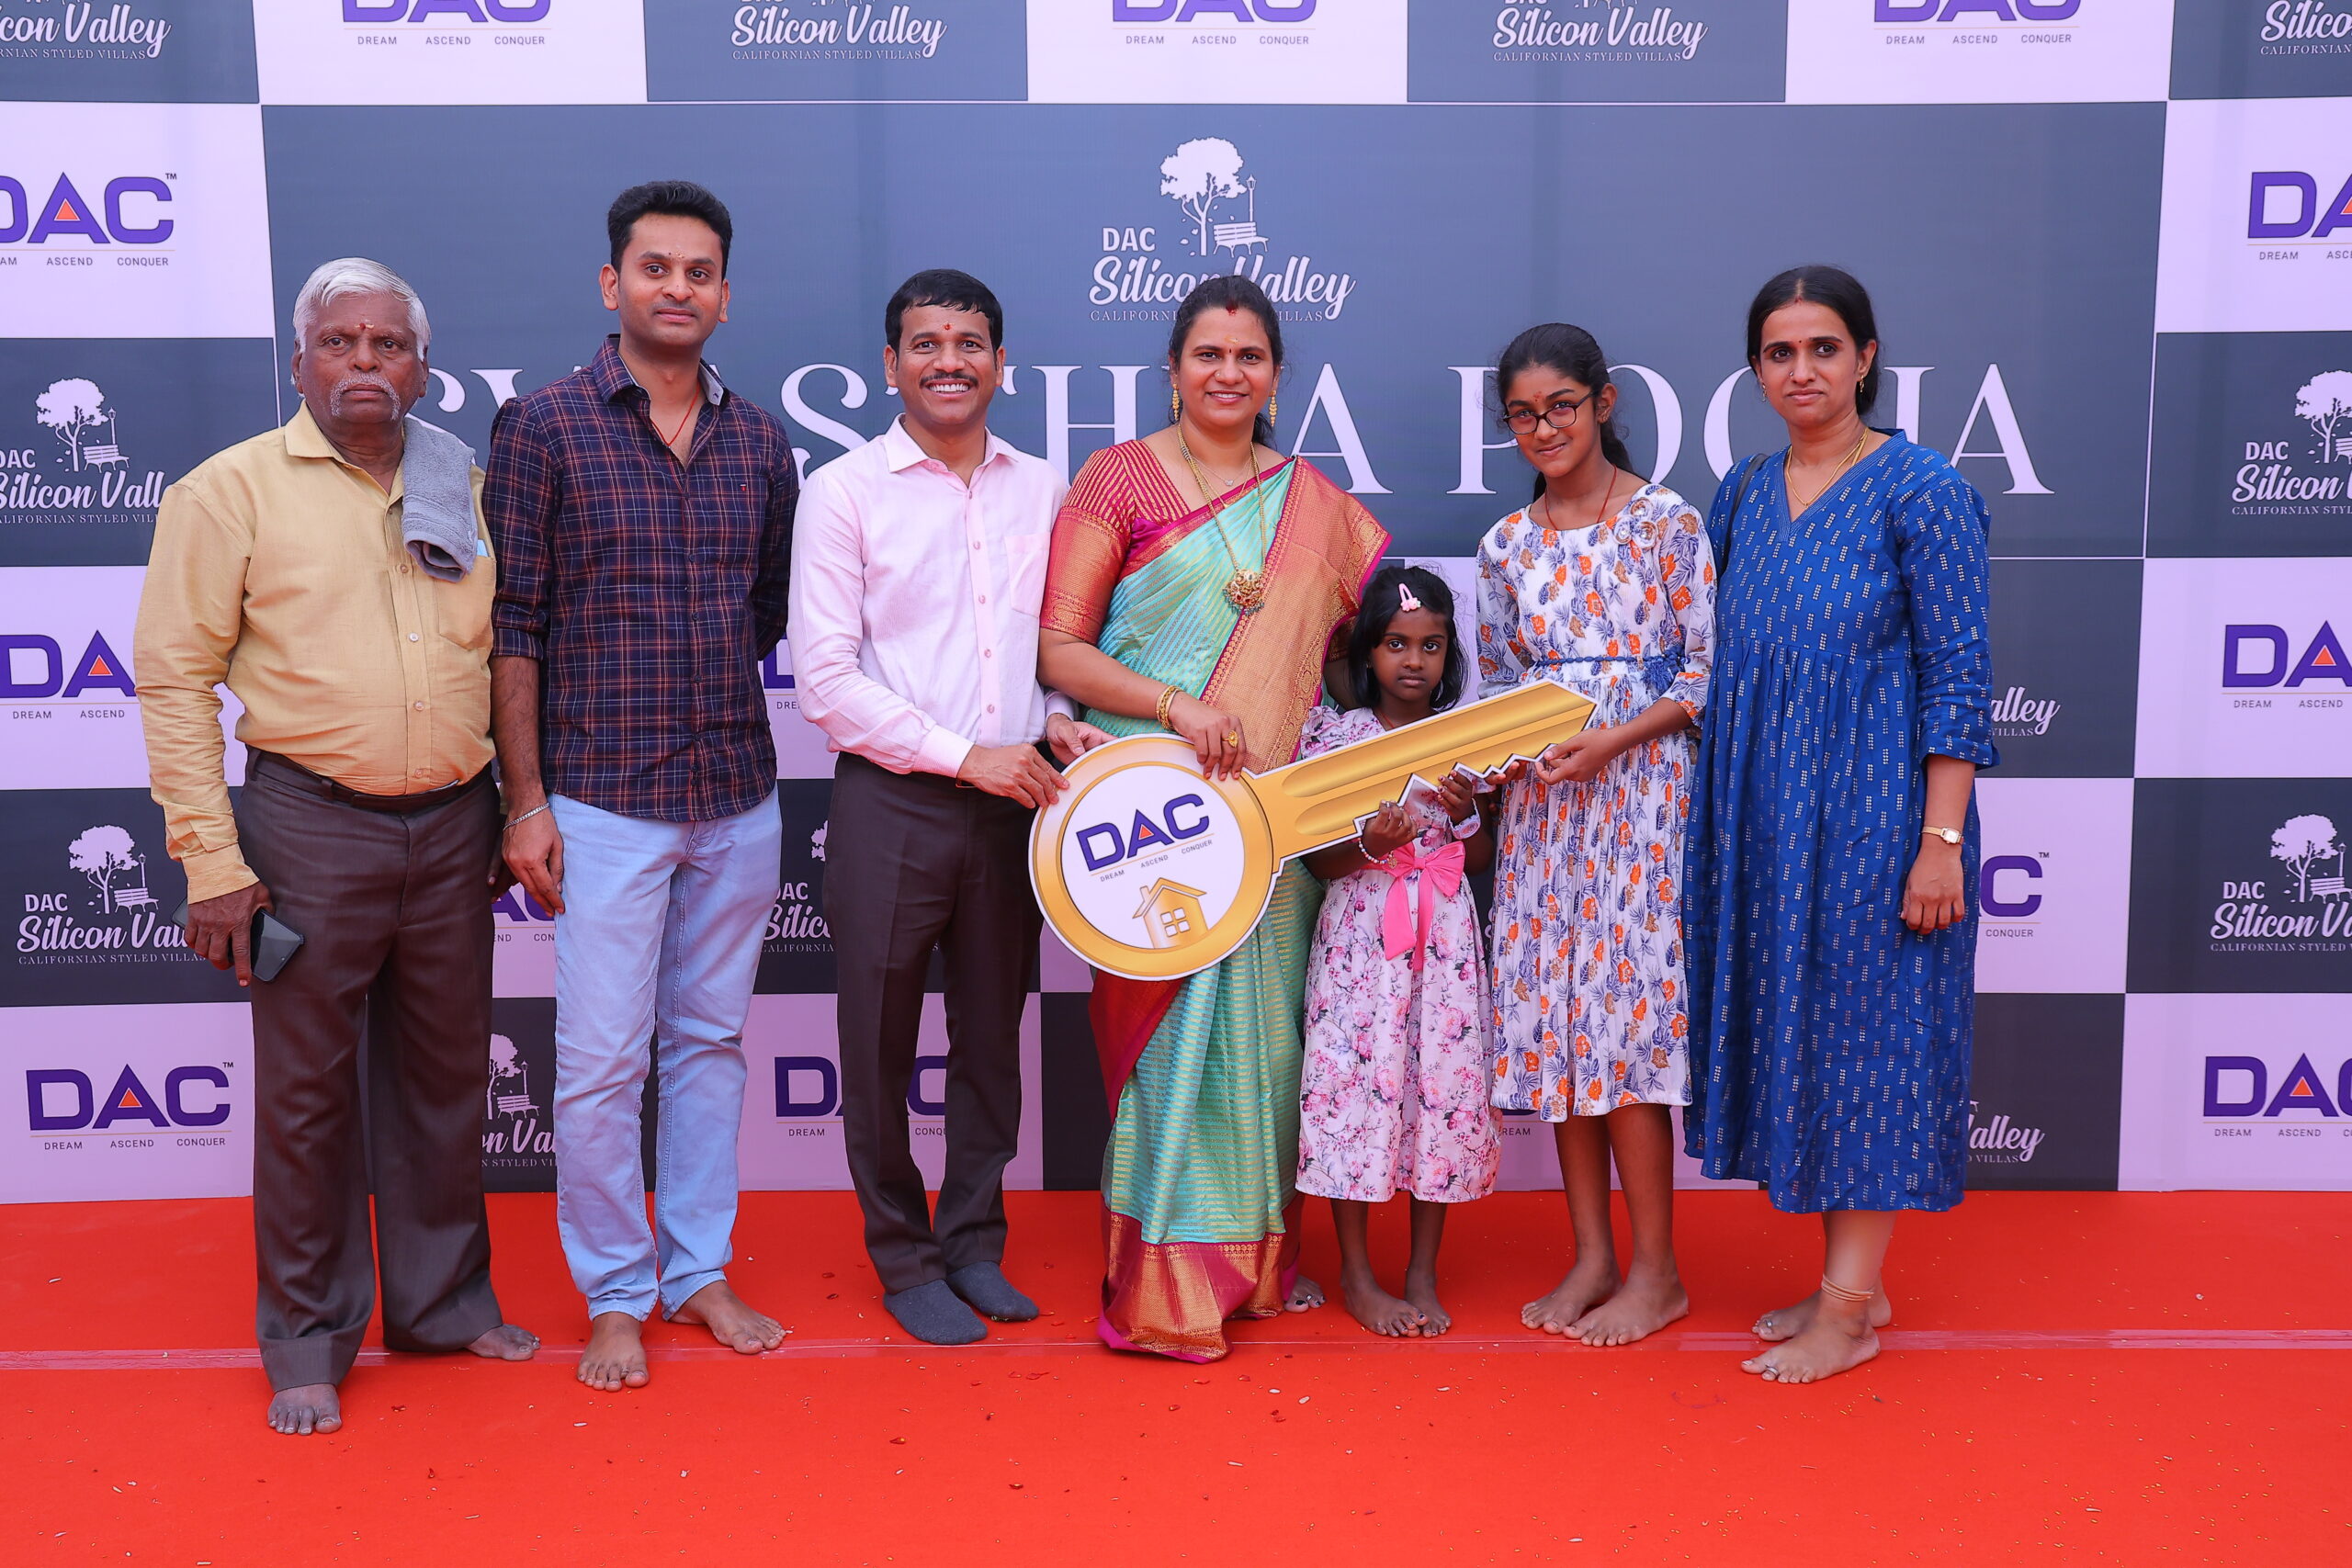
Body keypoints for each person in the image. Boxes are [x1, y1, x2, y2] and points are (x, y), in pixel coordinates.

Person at [136, 257, 538, 1437]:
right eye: (340, 343)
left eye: (388, 345)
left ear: (422, 368)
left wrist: (513, 805)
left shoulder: (465, 486)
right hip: (307, 828)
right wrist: (214, 864)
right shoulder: (230, 492)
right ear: (299, 362)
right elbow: (174, 681)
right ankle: (307, 1340)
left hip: (455, 824)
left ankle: (441, 1305)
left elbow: (508, 655)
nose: (365, 362)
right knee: (308, 1097)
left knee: (445, 1081)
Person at [1037, 275, 1389, 1362]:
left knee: (1264, 1046)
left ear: (1276, 376)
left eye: (1248, 356)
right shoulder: (1118, 477)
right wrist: (1177, 707)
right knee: (1167, 1044)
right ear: (1173, 369)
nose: (1227, 372)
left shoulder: (1317, 508)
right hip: (1149, 817)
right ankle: (1164, 1287)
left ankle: (1255, 1265)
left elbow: (1335, 669)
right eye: (1207, 354)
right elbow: (1060, 650)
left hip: (1265, 823)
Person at [487, 181, 797, 1393]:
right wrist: (526, 800)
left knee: (711, 1044)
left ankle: (698, 1269)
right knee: (603, 1064)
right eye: (656, 268)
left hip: (736, 793)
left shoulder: (759, 440)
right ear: (612, 284)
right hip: (601, 799)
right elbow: (513, 624)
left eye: (699, 271)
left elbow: (765, 610)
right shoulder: (544, 426)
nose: (679, 288)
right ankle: (616, 1289)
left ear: (725, 294)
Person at [1684, 265, 1996, 1384]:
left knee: (1869, 1049)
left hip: (1876, 821)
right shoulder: (1742, 489)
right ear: (1754, 370)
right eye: (1779, 352)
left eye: (1823, 348)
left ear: (1865, 358)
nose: (1801, 370)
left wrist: (1938, 843)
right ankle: (1846, 1283)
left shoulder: (1921, 488)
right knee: (1811, 1042)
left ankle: (1848, 1314)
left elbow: (1959, 677)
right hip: (1765, 824)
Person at [790, 269, 1111, 1346]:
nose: (948, 361)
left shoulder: (1044, 488)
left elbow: (1054, 648)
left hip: (1017, 802)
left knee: (991, 1039)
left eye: (969, 343)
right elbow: (824, 681)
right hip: (893, 802)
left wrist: (1057, 718)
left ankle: (973, 1244)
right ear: (890, 365)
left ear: (1000, 364)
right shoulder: (843, 492)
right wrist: (965, 756)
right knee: (877, 1043)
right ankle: (903, 1256)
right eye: (925, 344)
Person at [1478, 323, 1714, 1348]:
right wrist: (1504, 754)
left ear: (1604, 403)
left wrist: (1611, 740)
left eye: (1561, 407)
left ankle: (1657, 1272)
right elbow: (1498, 687)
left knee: (1625, 1032)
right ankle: (1592, 1257)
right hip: (1544, 814)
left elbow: (1705, 674)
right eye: (1523, 415)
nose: (1543, 429)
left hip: (1640, 804)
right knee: (1558, 1030)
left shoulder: (1667, 522)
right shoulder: (1503, 546)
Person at [1295, 566, 1498, 1339]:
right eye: (1396, 643)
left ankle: (1422, 1270)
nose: (1414, 660)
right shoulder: (1337, 737)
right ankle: (1356, 1273)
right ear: (1368, 653)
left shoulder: (1465, 738)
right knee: (1355, 1092)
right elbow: (1318, 864)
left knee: (1438, 1091)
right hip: (1362, 942)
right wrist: (1368, 844)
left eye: (1431, 645)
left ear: (1449, 654)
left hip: (1443, 944)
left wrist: (1467, 815)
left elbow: (1478, 860)